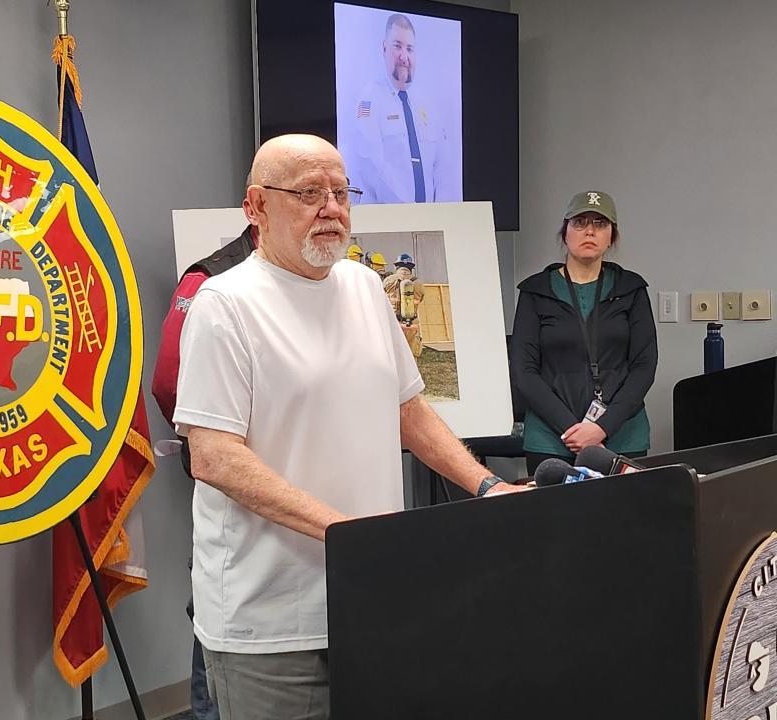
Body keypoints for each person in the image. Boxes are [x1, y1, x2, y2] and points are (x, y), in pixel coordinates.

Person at [173, 134, 524, 719]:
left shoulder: (364, 287)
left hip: (371, 601)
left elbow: (407, 409)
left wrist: (486, 486)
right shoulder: (224, 305)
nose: (331, 208)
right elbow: (214, 457)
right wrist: (349, 534)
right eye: (309, 193)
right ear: (256, 207)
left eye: (341, 192)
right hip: (271, 620)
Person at [152, 224, 258, 720]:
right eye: (306, 196)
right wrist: (215, 445)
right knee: (218, 613)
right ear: (259, 208)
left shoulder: (332, 279)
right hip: (236, 486)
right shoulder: (209, 278)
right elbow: (169, 382)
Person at [510, 190, 657, 476]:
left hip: (622, 433)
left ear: (611, 236)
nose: (589, 231)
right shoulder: (535, 291)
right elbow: (524, 370)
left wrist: (601, 428)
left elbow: (644, 366)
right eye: (579, 223)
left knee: (622, 518)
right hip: (552, 438)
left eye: (600, 224)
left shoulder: (631, 289)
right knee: (556, 519)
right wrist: (575, 433)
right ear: (564, 232)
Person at [345, 13, 459, 204]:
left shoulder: (427, 104)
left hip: (429, 221)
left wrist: (442, 215)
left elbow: (443, 167)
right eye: (397, 46)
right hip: (389, 222)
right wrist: (410, 210)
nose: (404, 56)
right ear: (384, 48)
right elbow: (371, 164)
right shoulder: (369, 99)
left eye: (410, 49)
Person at [383, 253, 425, 357]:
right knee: (411, 353)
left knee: (394, 354)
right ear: (411, 268)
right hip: (412, 323)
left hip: (393, 323)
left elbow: (381, 298)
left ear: (396, 266)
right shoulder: (418, 283)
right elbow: (421, 299)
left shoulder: (388, 280)